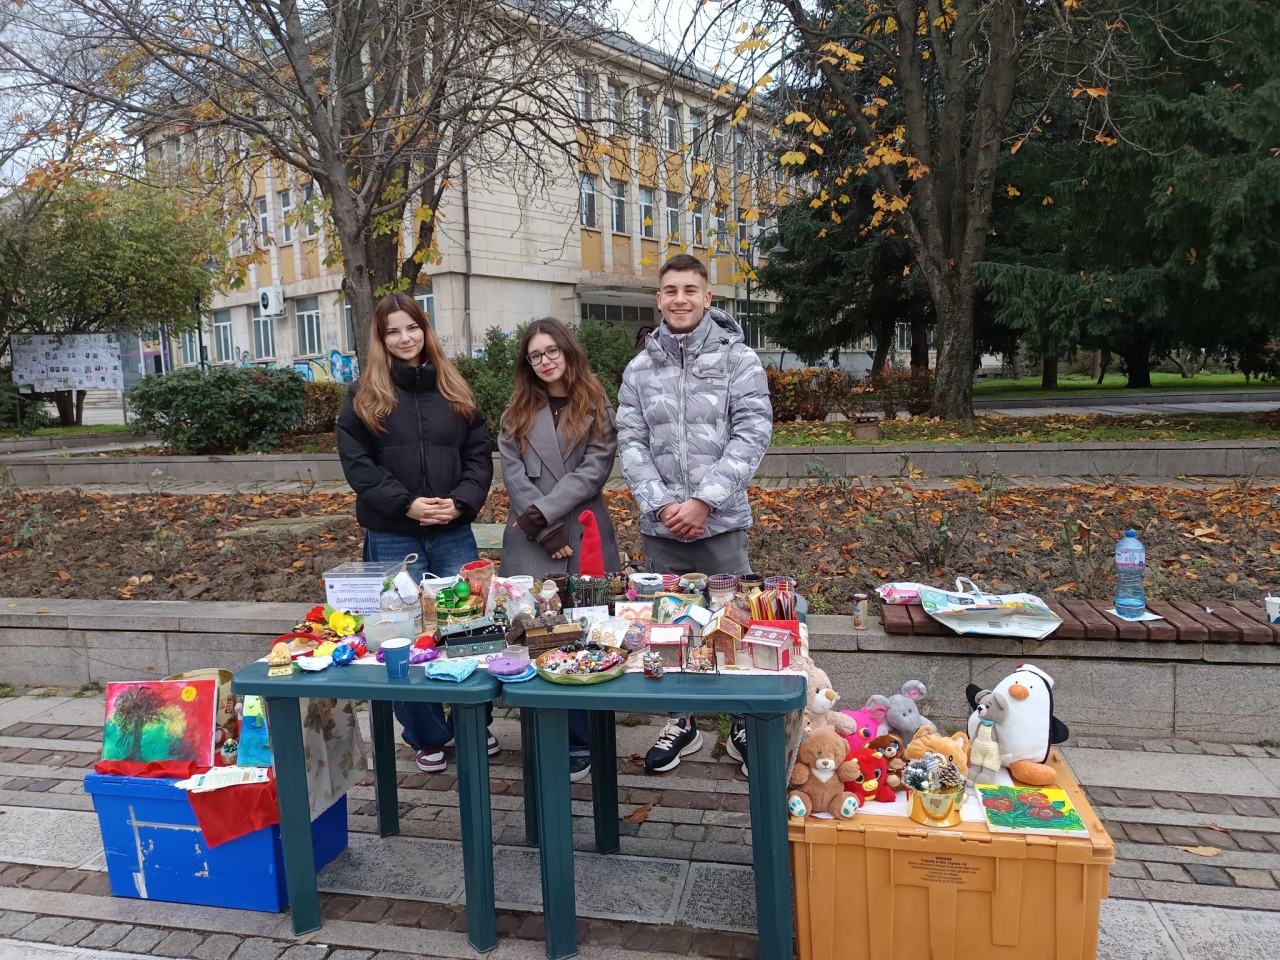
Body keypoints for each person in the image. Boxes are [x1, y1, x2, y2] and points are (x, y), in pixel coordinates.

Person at [616, 253, 773, 775]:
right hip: (662, 527)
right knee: (667, 626)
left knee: (733, 622)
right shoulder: (640, 369)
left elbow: (753, 433)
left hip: (721, 523)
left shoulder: (738, 360)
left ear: (707, 297)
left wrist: (705, 500)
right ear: (658, 299)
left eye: (690, 290)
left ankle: (742, 721)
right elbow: (630, 441)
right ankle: (680, 721)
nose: (679, 299)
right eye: (670, 290)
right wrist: (663, 505)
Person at [336, 292, 497, 774]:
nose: (405, 338)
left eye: (412, 327)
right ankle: (426, 734)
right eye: (393, 331)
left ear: (425, 330)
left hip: (452, 531)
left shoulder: (455, 389)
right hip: (392, 534)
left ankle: (473, 721)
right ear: (380, 339)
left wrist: (460, 502)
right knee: (400, 636)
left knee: (468, 628)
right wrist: (406, 503)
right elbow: (358, 465)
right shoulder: (364, 396)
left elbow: (478, 457)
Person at [498, 317, 621, 782]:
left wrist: (544, 514)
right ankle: (541, 733)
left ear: (568, 352)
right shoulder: (515, 412)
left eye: (552, 351)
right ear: (527, 363)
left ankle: (582, 739)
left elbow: (594, 471)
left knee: (586, 634)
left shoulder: (597, 405)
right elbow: (514, 477)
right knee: (536, 635)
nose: (545, 361)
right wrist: (544, 530)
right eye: (535, 355)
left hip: (583, 532)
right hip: (532, 539)